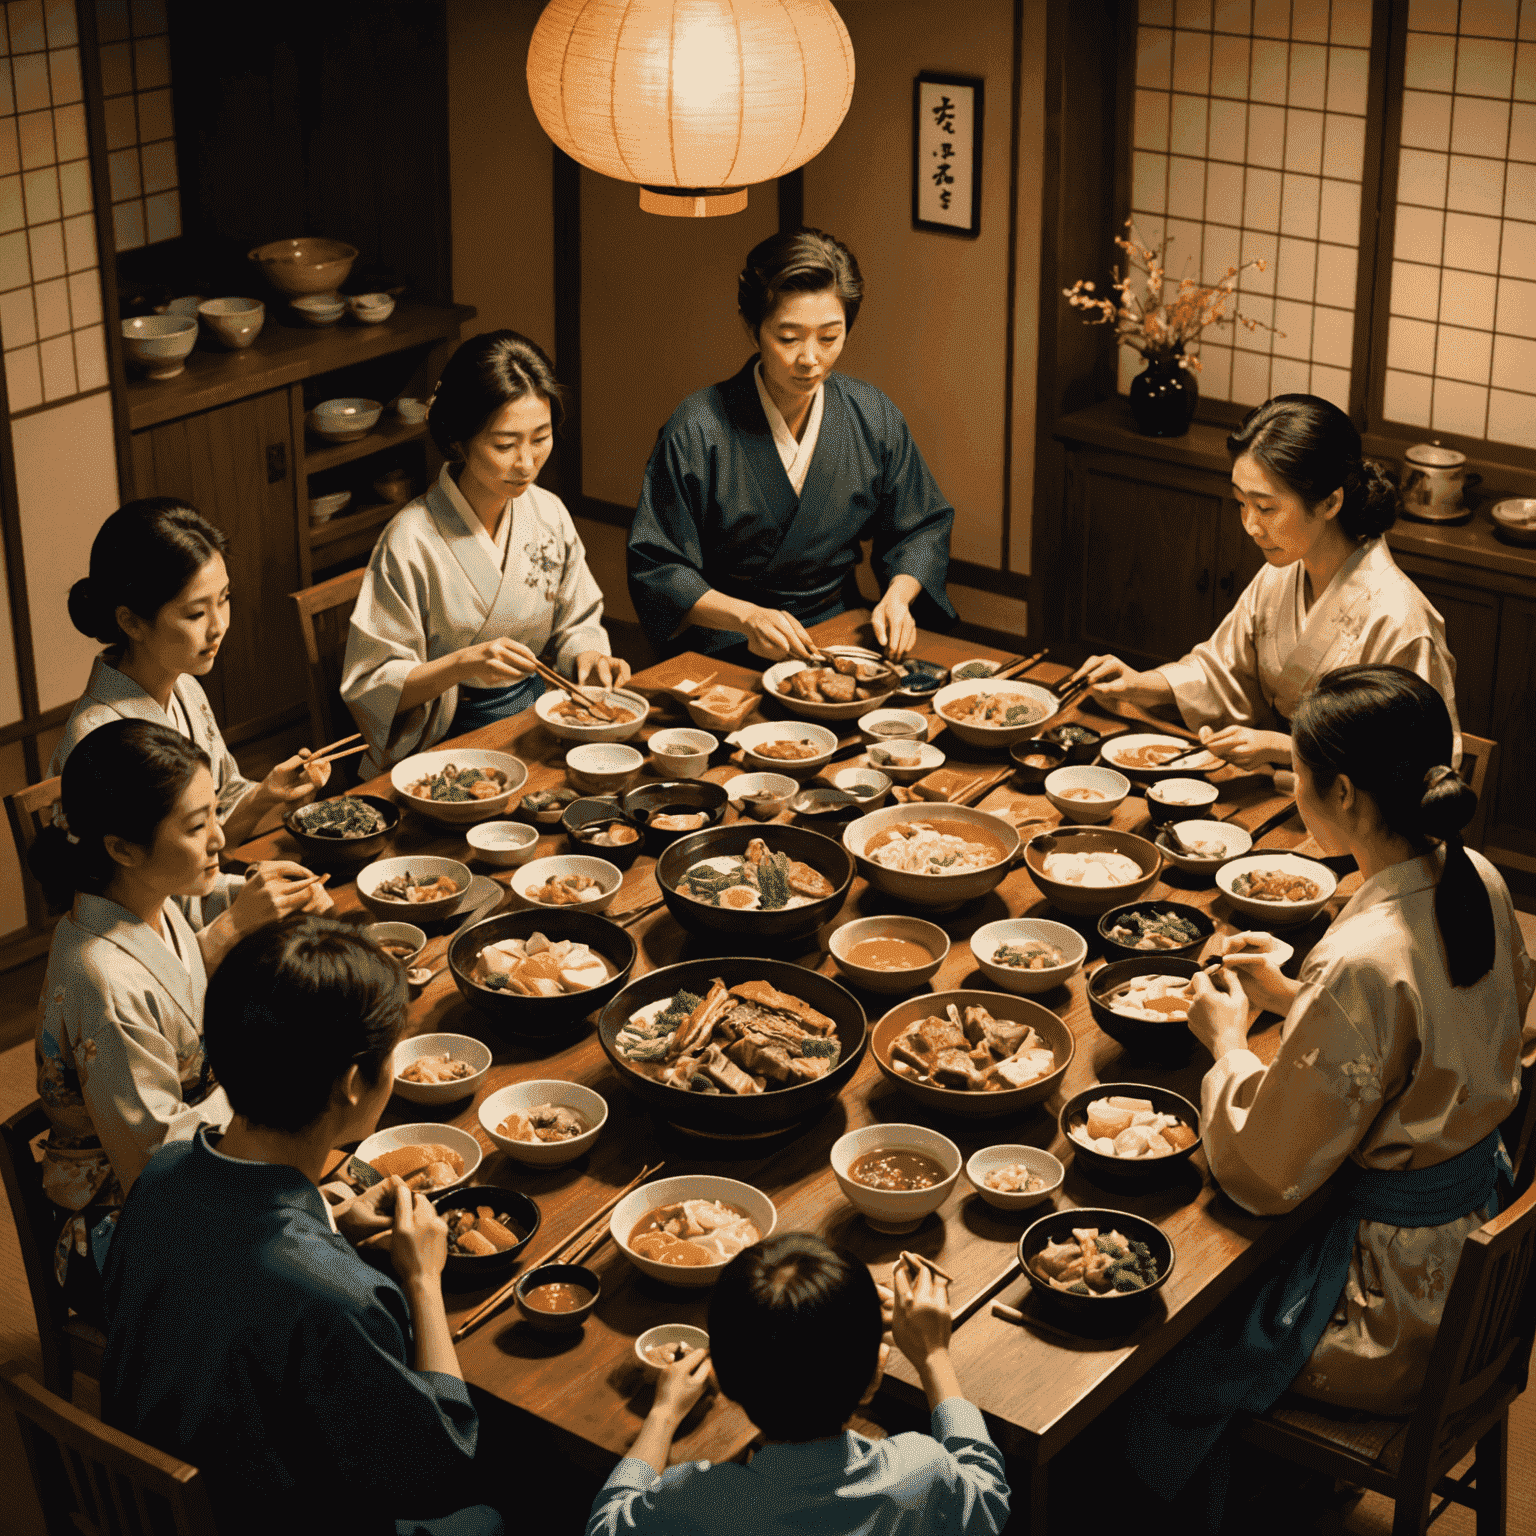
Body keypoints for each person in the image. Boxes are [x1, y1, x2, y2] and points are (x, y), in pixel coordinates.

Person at [1122, 665, 1535, 1523]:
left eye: (1298, 775)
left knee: (1148, 1354)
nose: (1295, 787)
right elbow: (1432, 1027)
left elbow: (1265, 1172)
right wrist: (1296, 995)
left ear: (1341, 792)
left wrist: (1229, 1042)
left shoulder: (1362, 958)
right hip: (1469, 1239)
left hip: (1395, 1306)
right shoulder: (1480, 878)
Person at [100, 915, 501, 1536]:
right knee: (495, 1509)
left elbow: (227, 1270)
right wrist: (422, 1278)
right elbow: (440, 1469)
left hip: (176, 1495)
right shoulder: (338, 1298)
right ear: (350, 1084)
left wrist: (327, 1215)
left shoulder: (164, 1172)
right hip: (278, 1514)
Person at [31, 720, 327, 1320]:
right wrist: (263, 1093)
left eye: (216, 813)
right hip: (123, 1227)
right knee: (318, 1278)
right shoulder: (101, 980)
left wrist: (269, 892)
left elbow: (205, 908)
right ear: (121, 848)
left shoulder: (145, 901)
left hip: (195, 1164)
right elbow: (155, 1172)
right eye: (197, 826)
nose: (221, 838)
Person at [1071, 395, 1460, 770]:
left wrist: (1287, 748)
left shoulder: (1400, 621)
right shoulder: (1281, 573)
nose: (1251, 526)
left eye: (1267, 507)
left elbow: (1417, 763)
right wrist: (1140, 684)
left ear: (1329, 503)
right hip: (1278, 790)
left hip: (1356, 823)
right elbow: (1224, 670)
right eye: (1242, 503)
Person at [627, 228, 957, 664]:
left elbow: (921, 525)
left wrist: (897, 597)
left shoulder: (872, 415)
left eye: (829, 336)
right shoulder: (698, 427)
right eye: (788, 337)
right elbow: (658, 565)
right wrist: (746, 617)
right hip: (728, 642)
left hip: (840, 634)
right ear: (753, 328)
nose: (810, 358)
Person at [586, 1234, 1010, 1535]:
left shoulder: (697, 1501)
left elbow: (606, 1524)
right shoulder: (920, 1472)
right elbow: (988, 1497)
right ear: (872, 1380)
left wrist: (662, 1415)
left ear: (726, 1380)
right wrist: (933, 1355)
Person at [342, 331, 629, 776]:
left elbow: (577, 623)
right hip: (444, 736)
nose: (527, 462)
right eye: (504, 444)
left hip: (538, 719)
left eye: (541, 437)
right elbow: (372, 683)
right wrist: (462, 663)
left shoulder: (548, 513)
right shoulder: (411, 540)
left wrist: (587, 656)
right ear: (459, 439)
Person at [54, 498, 328, 871]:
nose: (218, 626)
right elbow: (126, 892)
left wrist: (268, 796)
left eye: (224, 599)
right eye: (196, 612)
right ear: (131, 622)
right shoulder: (99, 739)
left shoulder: (184, 687)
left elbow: (221, 814)